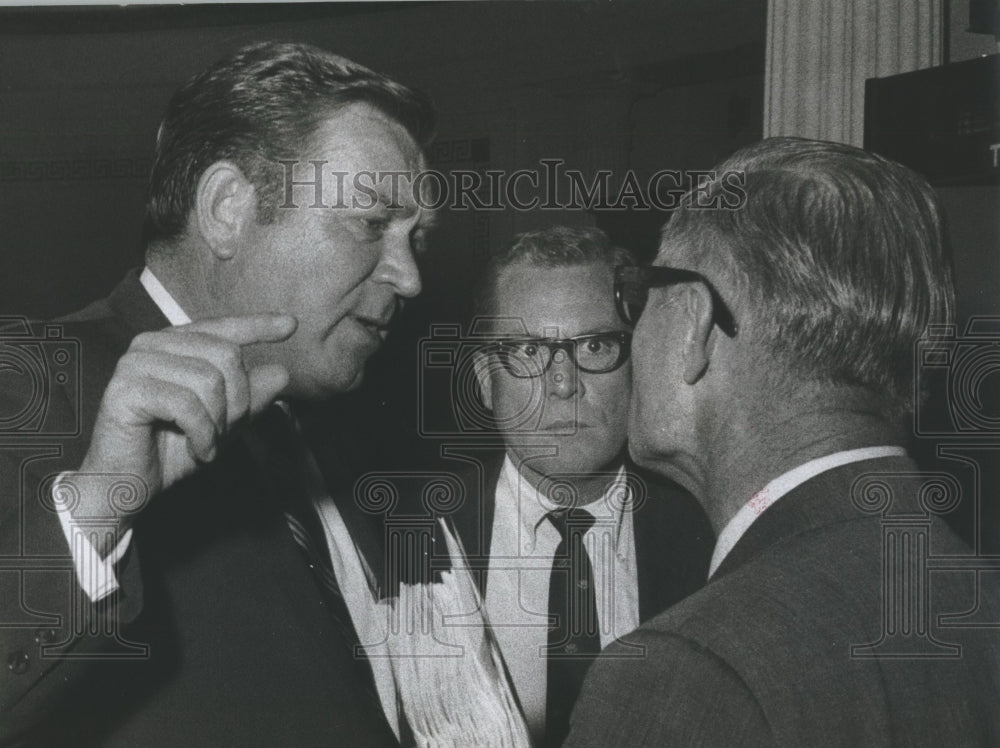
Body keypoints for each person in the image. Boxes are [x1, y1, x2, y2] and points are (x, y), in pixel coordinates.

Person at [0, 41, 435, 746]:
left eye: (417, 239)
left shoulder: (330, 437)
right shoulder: (26, 379)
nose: (409, 276)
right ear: (229, 208)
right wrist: (93, 513)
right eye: (370, 223)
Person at [565, 138, 1000, 746]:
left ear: (693, 324)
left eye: (638, 297)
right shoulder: (975, 596)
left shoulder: (690, 673)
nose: (630, 334)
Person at [415, 226, 713, 747]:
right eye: (530, 350)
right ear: (487, 379)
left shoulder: (708, 532)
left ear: (637, 362)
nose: (563, 382)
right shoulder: (417, 535)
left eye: (594, 344)